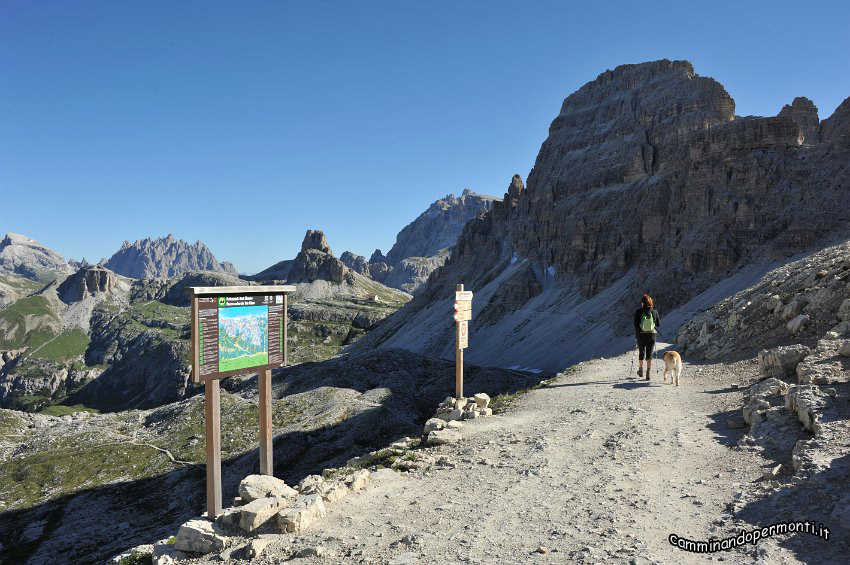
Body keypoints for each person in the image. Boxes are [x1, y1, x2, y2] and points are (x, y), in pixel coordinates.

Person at [633, 294, 660, 380]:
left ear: (642, 303)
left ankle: (640, 370)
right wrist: (653, 324)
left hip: (641, 335)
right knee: (650, 353)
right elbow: (659, 324)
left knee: (642, 352)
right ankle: (648, 373)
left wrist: (638, 333)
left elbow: (635, 324)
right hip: (652, 335)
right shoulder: (654, 312)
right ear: (650, 303)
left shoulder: (638, 312)